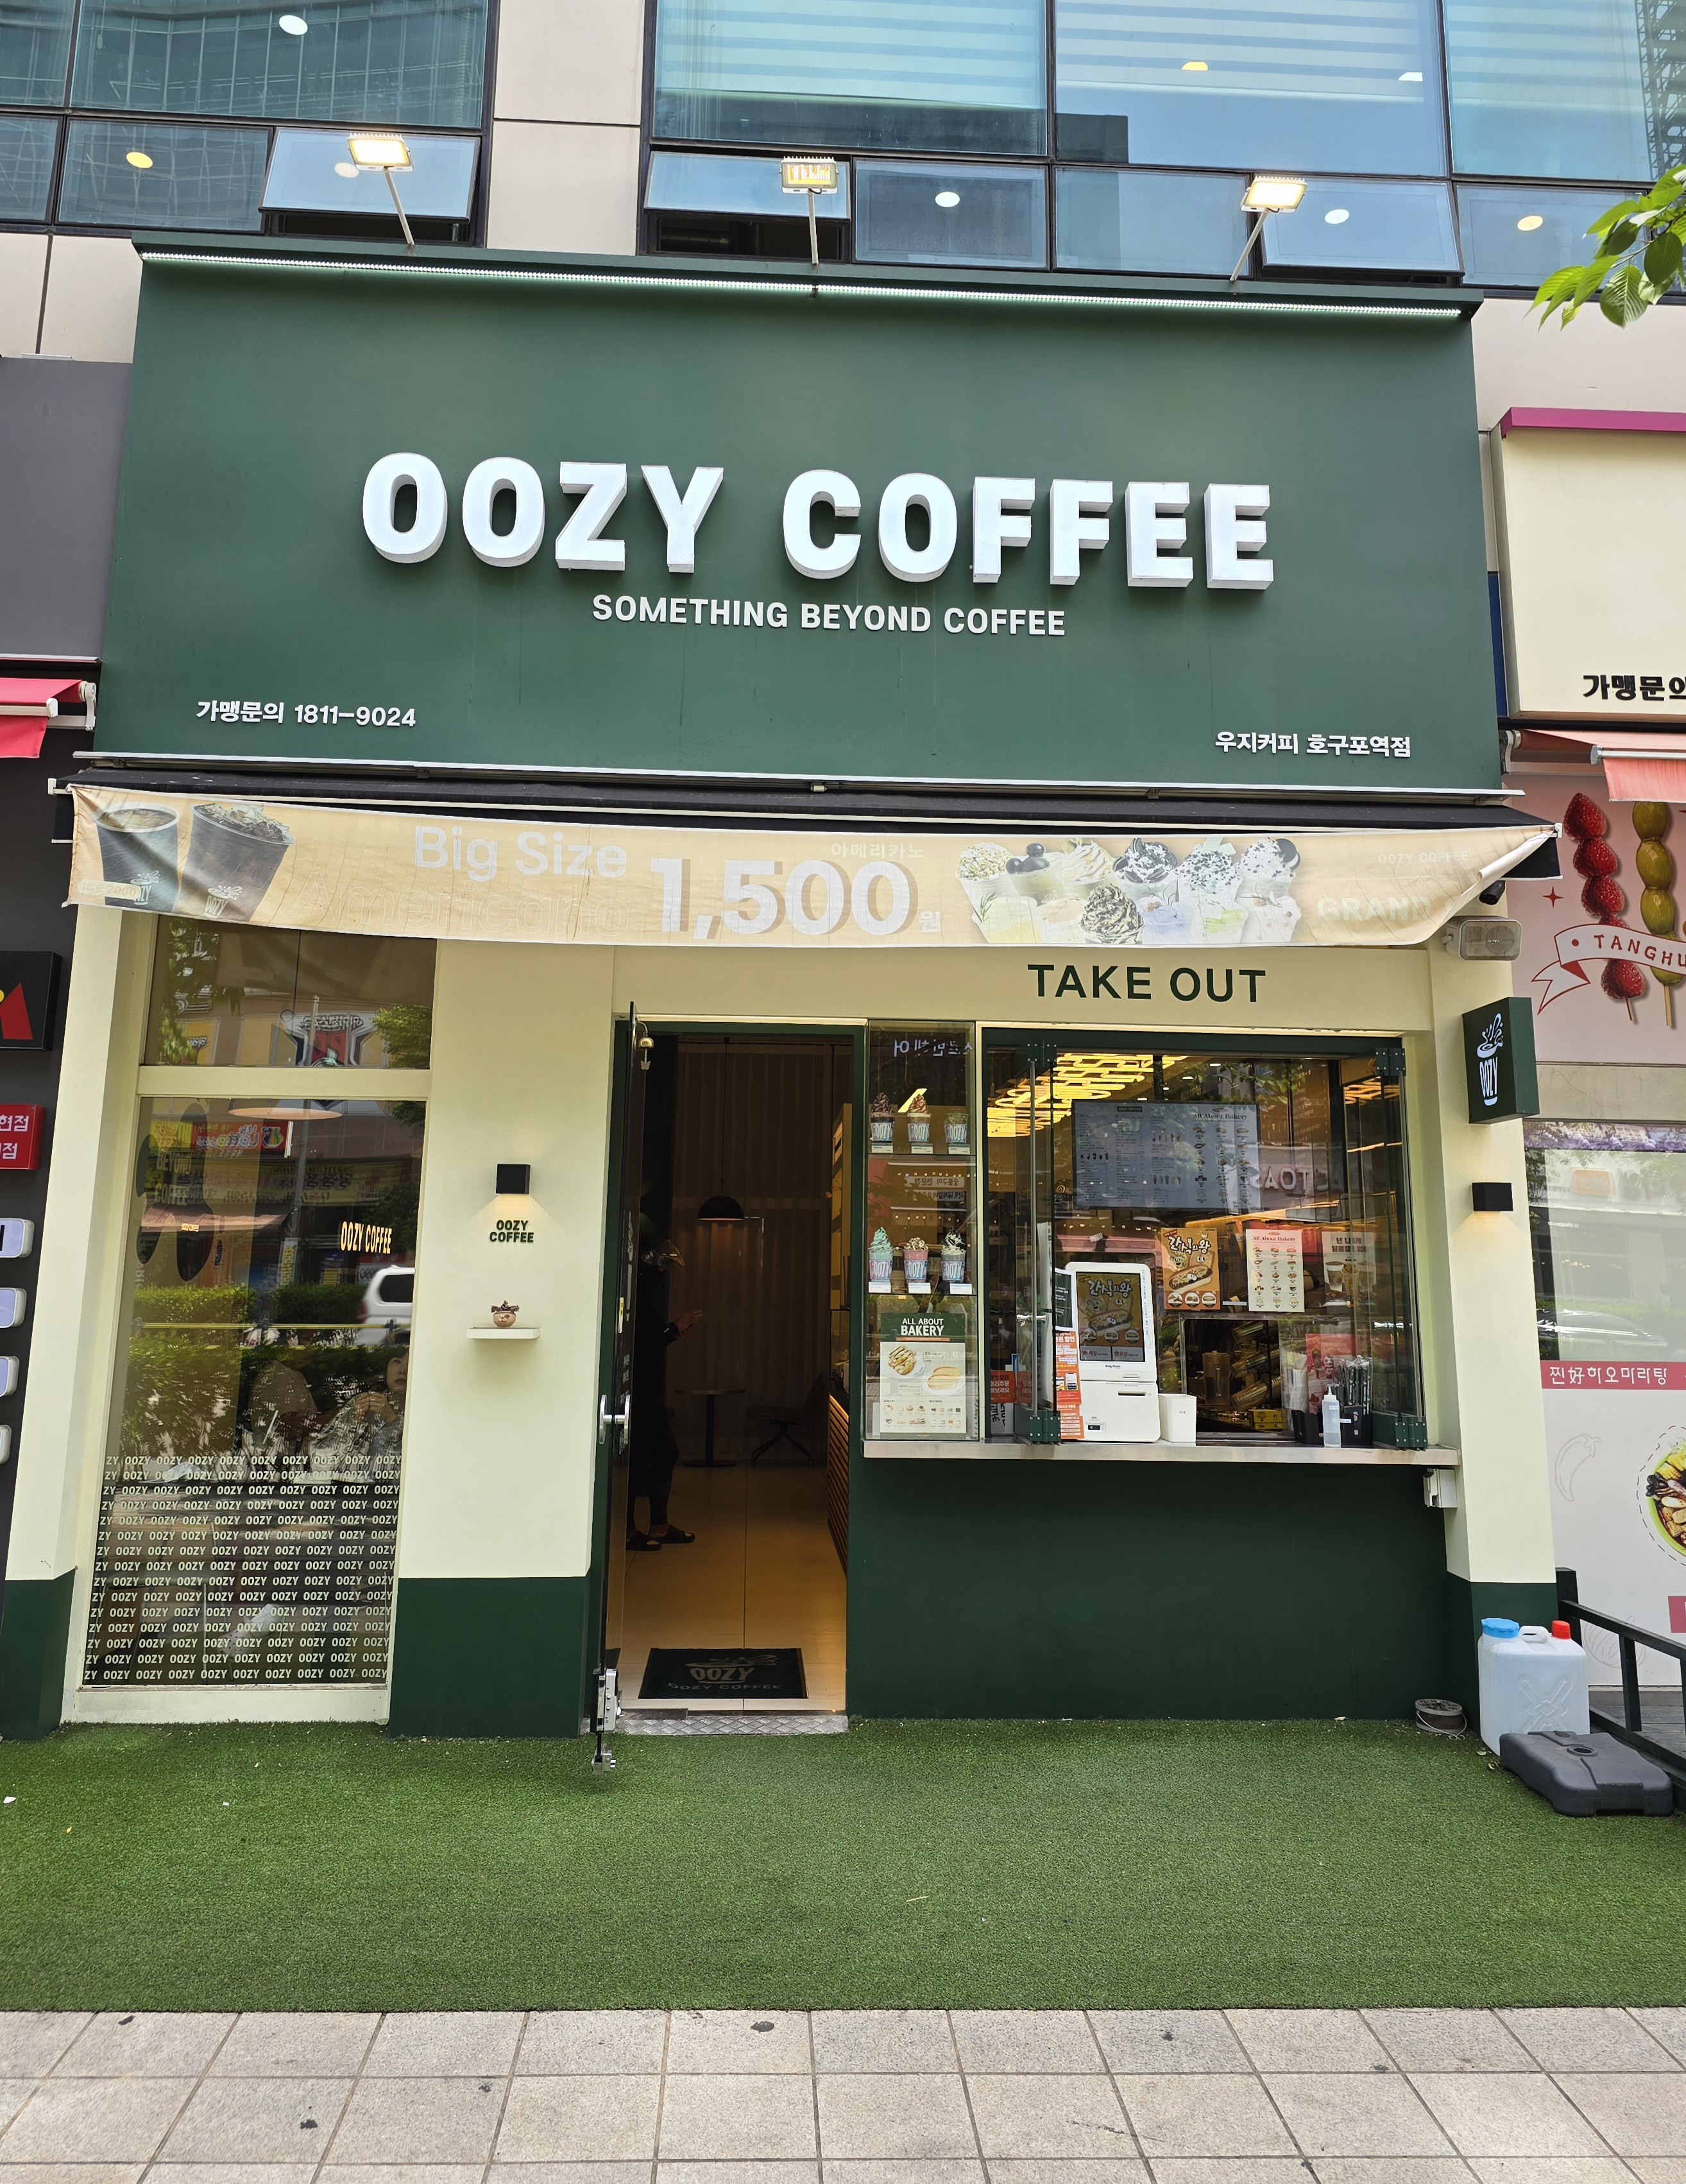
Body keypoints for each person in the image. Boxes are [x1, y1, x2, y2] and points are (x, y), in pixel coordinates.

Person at [627, 1237, 701, 1549]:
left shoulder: (646, 1296)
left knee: (665, 1452)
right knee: (633, 1460)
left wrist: (673, 1332)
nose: (662, 1272)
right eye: (659, 1266)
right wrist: (672, 1330)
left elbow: (651, 1339)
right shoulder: (630, 1296)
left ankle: (659, 1525)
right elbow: (637, 1343)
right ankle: (627, 1529)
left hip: (649, 1390)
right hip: (636, 1391)